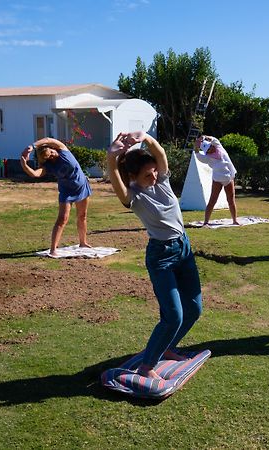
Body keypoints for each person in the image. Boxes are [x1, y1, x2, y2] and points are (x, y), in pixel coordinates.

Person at [107, 131, 202, 379]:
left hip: (184, 249)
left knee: (194, 309)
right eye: (147, 174)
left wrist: (145, 137)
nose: (154, 175)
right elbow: (117, 183)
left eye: (154, 171)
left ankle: (168, 347)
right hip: (161, 257)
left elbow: (160, 154)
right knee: (173, 315)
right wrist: (111, 158)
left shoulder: (162, 181)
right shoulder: (134, 196)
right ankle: (147, 366)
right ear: (133, 177)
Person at [20, 138, 92, 256]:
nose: (53, 155)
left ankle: (83, 242)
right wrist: (24, 165)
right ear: (46, 159)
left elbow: (49, 139)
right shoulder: (48, 166)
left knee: (82, 216)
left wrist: (31, 146)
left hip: (82, 187)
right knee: (62, 219)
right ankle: (53, 249)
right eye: (50, 156)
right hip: (66, 192)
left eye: (52, 152)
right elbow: (35, 174)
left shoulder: (63, 150)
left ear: (52, 148)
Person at [194, 135, 239, 226]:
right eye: (208, 149)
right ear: (207, 151)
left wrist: (204, 137)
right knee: (212, 200)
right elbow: (198, 155)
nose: (211, 149)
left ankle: (234, 220)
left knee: (231, 199)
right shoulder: (207, 158)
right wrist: (196, 146)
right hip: (217, 180)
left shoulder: (219, 148)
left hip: (229, 178)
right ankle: (206, 221)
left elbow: (215, 139)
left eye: (211, 147)